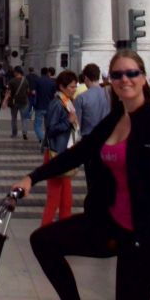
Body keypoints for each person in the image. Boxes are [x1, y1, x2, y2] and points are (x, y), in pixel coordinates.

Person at [12, 49, 150, 300]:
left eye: (131, 73)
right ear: (110, 81)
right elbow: (79, 152)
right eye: (117, 75)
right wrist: (33, 177)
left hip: (143, 242)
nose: (124, 80)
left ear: (143, 77)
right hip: (109, 224)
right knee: (43, 241)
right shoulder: (116, 118)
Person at [40, 70, 80, 225]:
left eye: (75, 86)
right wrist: (68, 122)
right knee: (54, 197)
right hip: (55, 153)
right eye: (71, 86)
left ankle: (64, 229)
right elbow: (50, 129)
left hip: (65, 153)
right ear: (62, 87)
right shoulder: (57, 103)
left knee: (66, 199)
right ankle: (44, 230)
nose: (74, 89)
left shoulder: (67, 101)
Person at [75, 63, 110, 136]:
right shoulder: (109, 95)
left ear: (86, 78)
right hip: (106, 136)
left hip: (88, 137)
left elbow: (77, 124)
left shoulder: (81, 97)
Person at [31, 66, 57, 145]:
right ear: (48, 73)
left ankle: (43, 139)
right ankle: (48, 140)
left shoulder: (38, 80)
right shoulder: (52, 82)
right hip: (49, 107)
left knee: (37, 126)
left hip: (39, 106)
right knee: (48, 126)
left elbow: (33, 92)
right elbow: (55, 95)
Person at [5, 66, 30, 139]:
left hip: (14, 102)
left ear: (16, 72)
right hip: (24, 102)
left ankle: (14, 133)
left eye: (14, 71)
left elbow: (8, 92)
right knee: (24, 118)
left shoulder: (12, 81)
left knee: (14, 118)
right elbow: (28, 91)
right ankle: (24, 133)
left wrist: (5, 101)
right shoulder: (25, 80)